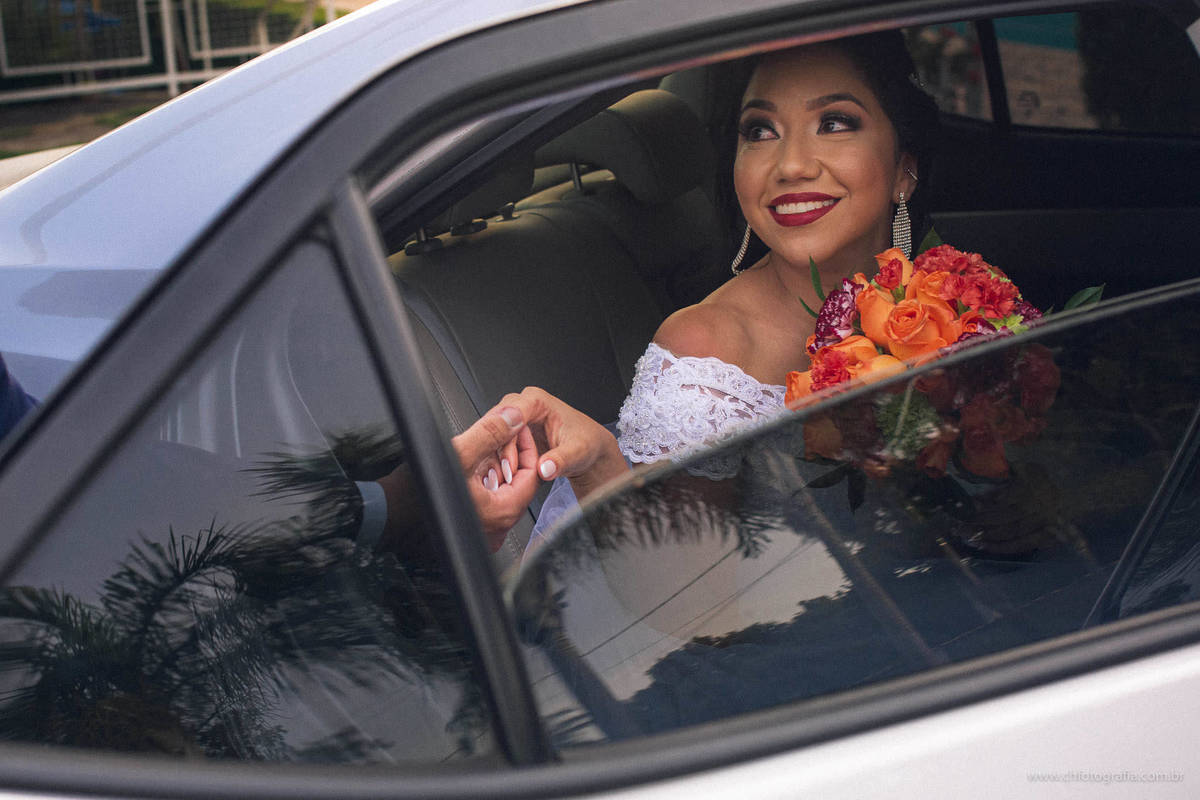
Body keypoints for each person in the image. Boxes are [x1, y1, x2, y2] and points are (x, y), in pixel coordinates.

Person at [504, 32, 941, 543]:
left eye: (834, 123)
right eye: (760, 131)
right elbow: (689, 602)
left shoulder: (948, 298)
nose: (791, 165)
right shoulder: (707, 355)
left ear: (904, 169)